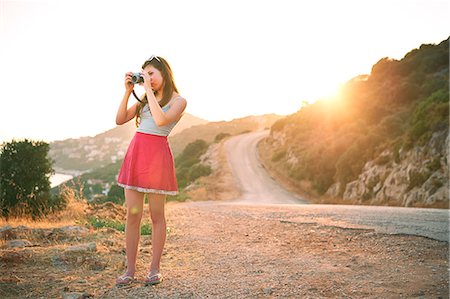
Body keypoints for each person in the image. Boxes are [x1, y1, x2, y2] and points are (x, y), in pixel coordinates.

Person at [114, 55, 187, 286]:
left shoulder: (179, 101)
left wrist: (147, 89)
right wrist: (127, 92)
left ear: (164, 73)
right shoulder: (146, 99)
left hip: (157, 159)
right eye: (145, 74)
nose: (149, 79)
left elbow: (161, 120)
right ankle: (130, 270)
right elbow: (119, 119)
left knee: (157, 216)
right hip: (137, 154)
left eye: (152, 74)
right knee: (132, 215)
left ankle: (154, 269)